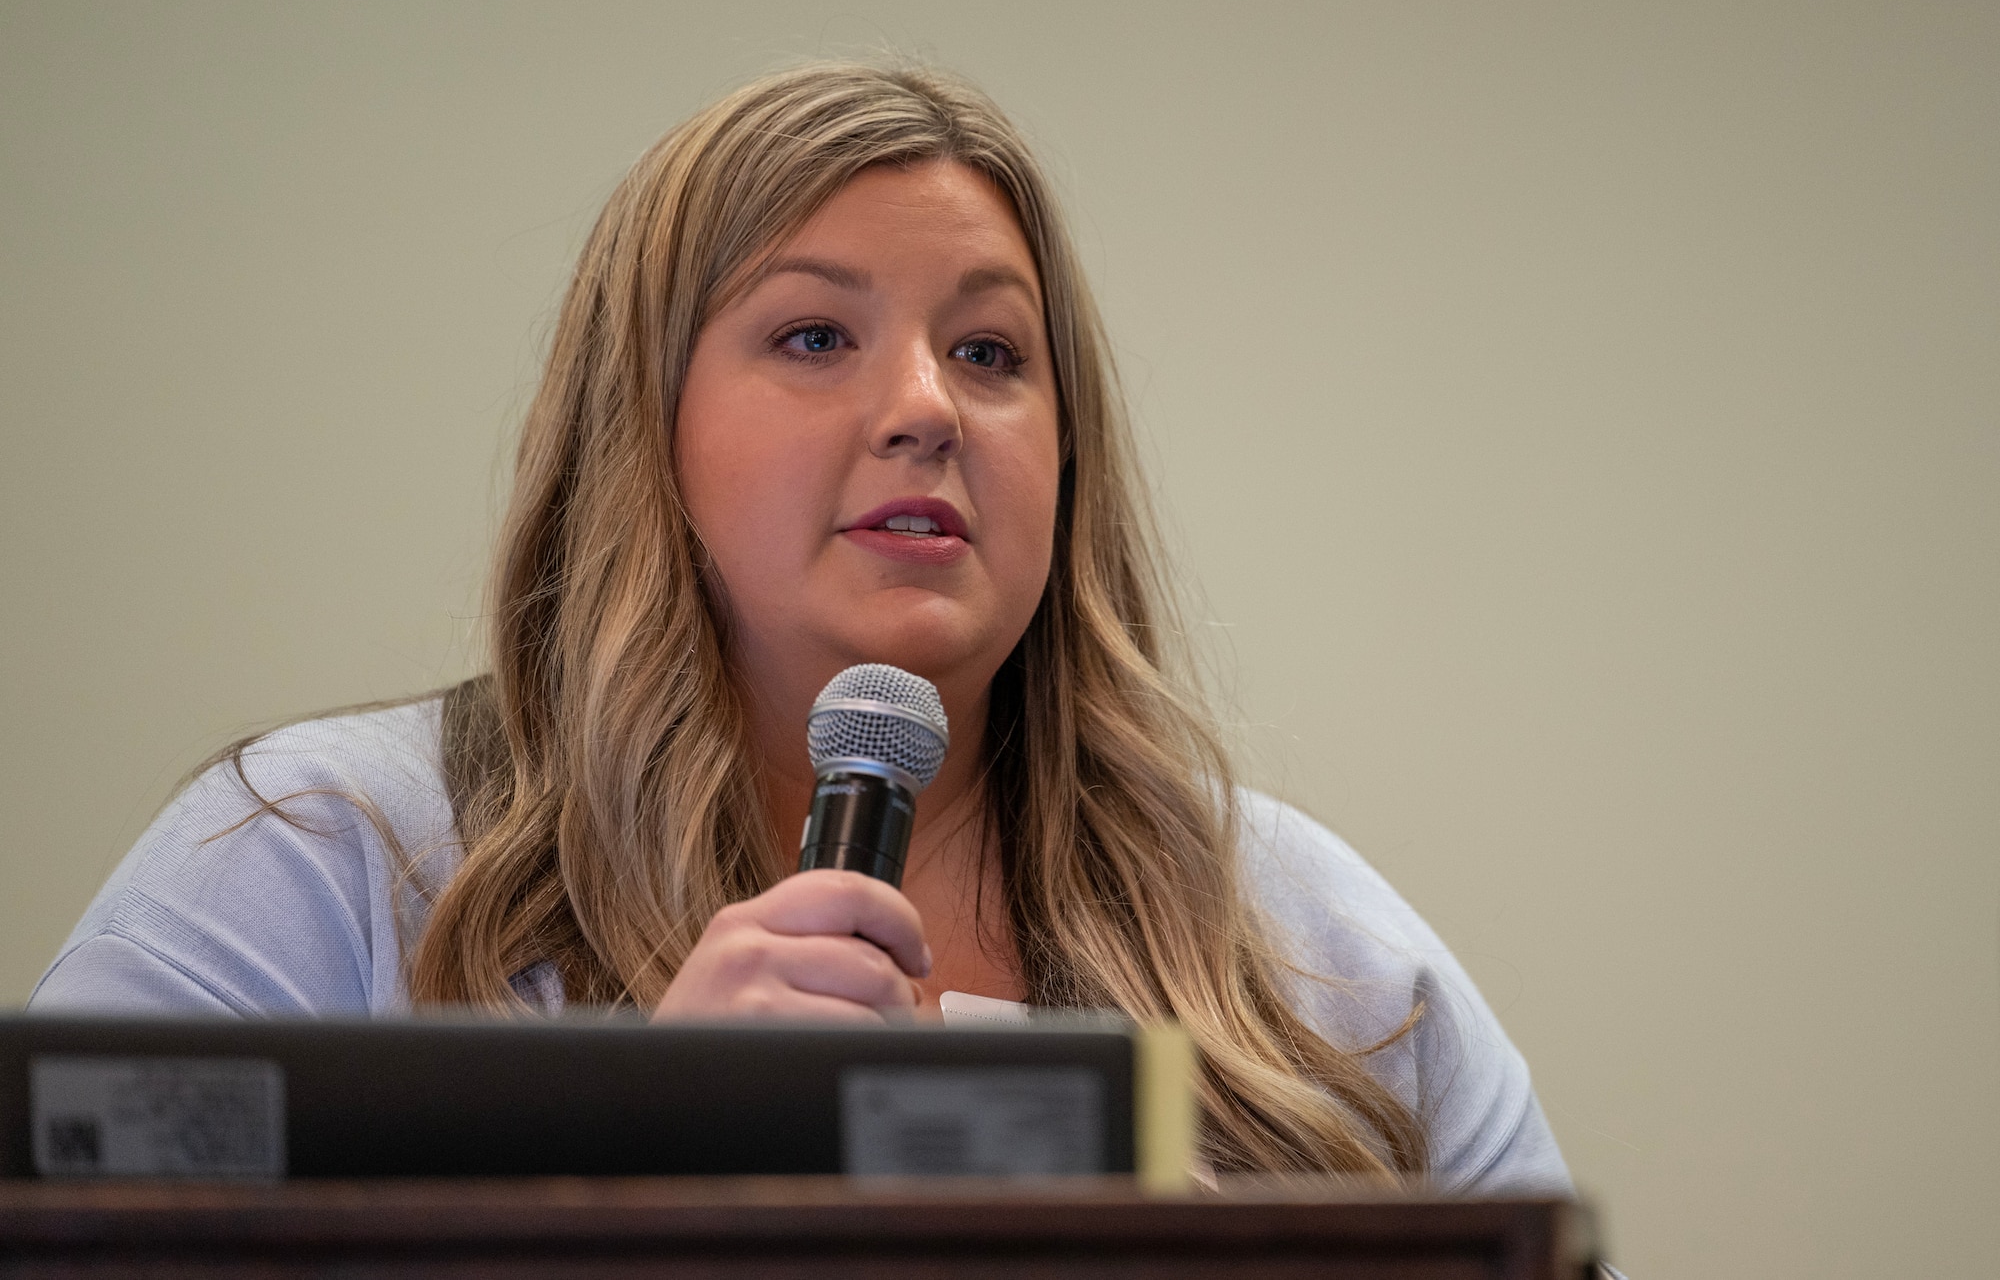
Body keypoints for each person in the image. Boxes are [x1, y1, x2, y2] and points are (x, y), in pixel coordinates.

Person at [31, 62, 1569, 1193]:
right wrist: (626, 1171)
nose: (924, 409)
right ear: (647, 425)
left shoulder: (1318, 956)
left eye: (989, 350)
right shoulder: (317, 856)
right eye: (815, 334)